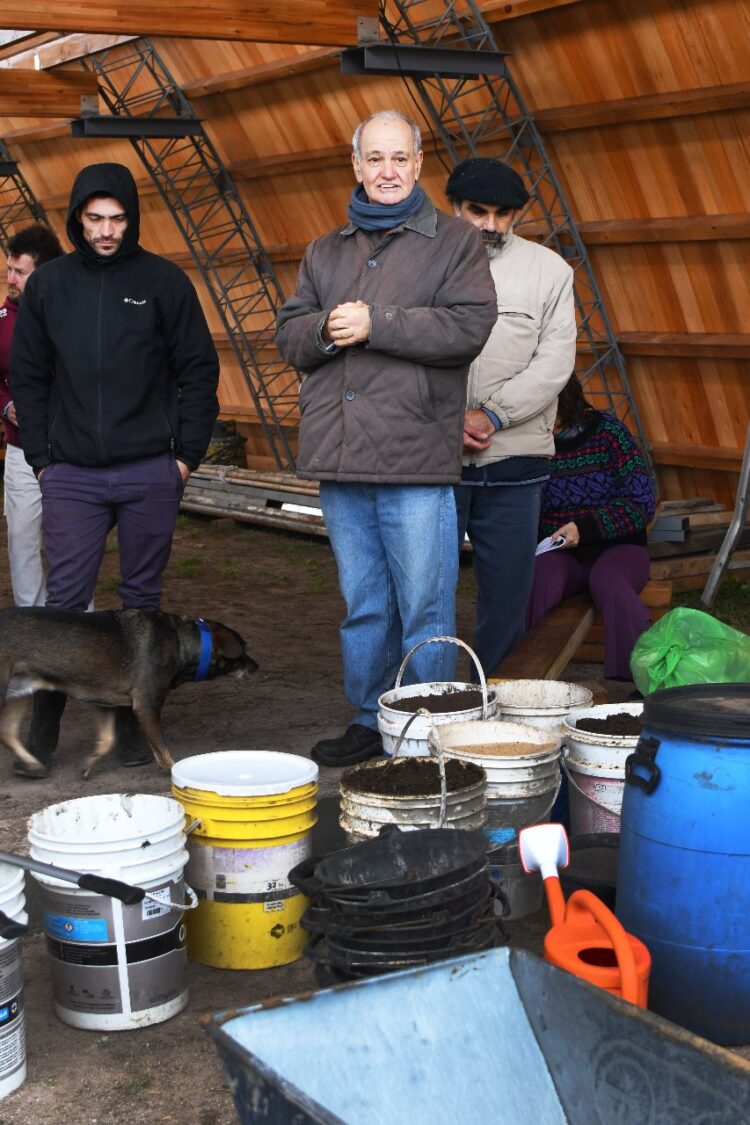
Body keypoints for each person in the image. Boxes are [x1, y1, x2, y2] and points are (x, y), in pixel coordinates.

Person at [276, 110, 497, 767]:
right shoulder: (325, 249)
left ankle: (428, 723)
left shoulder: (455, 241)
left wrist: (379, 322)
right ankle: (370, 715)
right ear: (356, 166)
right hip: (342, 457)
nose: (387, 171)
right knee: (364, 604)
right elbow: (289, 334)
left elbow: (469, 327)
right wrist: (322, 330)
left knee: (425, 603)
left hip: (413, 457)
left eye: (398, 158)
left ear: (419, 162)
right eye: (375, 159)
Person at [10, 162, 220, 776]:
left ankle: (132, 727)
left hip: (149, 470)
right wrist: (45, 460)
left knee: (140, 603)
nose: (106, 230)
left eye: (117, 219)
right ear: (77, 218)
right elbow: (30, 374)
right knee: (65, 605)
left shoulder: (164, 282)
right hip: (70, 472)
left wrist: (184, 458)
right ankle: (45, 729)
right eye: (94, 218)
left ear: (132, 218)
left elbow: (197, 371)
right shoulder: (49, 285)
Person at [446, 157, 577, 677]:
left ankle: (494, 699)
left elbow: (555, 362)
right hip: (434, 459)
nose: (491, 226)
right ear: (452, 207)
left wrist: (492, 416)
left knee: (506, 595)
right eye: (478, 212)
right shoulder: (418, 264)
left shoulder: (550, 271)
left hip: (515, 461)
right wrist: (447, 421)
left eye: (503, 215)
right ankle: (424, 698)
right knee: (424, 592)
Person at [526, 373, 657, 681]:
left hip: (620, 548)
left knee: (608, 578)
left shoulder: (610, 434)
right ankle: (530, 678)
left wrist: (584, 528)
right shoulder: (534, 444)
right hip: (560, 553)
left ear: (564, 403)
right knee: (540, 577)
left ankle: (641, 678)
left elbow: (642, 503)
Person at [0, 223, 64, 606]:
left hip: (69, 451)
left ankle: (76, 621)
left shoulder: (70, 314)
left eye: (20, 272)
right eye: (8, 268)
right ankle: (32, 625)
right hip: (22, 452)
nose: (10, 278)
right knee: (22, 540)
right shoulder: (0, 318)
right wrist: (6, 406)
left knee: (70, 541)